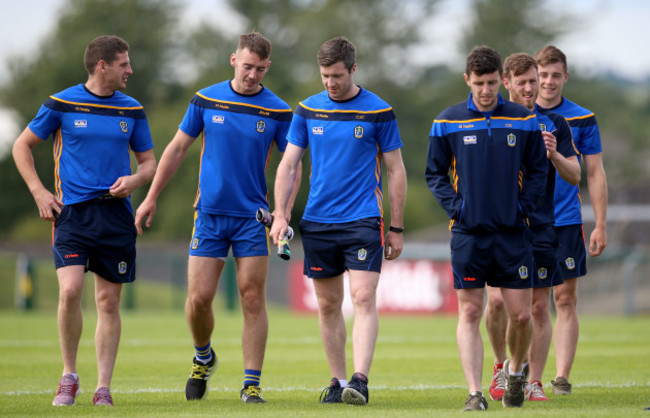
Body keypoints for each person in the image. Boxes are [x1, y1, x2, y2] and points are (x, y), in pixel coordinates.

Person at [134, 32, 298, 404]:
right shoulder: (206, 99)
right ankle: (203, 357)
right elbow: (176, 149)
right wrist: (150, 198)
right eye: (246, 66)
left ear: (267, 67)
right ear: (233, 60)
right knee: (198, 299)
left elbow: (291, 165)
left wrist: (282, 213)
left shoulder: (278, 111)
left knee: (252, 297)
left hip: (252, 219)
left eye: (259, 69)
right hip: (208, 216)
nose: (252, 75)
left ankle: (251, 383)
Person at [12, 35, 156, 407]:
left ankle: (103, 387)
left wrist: (136, 180)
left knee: (108, 302)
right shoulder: (61, 103)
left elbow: (149, 163)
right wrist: (40, 192)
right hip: (72, 214)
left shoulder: (133, 109)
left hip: (116, 215)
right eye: (124, 63)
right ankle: (69, 377)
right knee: (70, 291)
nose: (130, 70)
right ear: (102, 65)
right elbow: (21, 145)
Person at [269, 36, 407, 406]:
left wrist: (396, 227)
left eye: (337, 76)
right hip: (318, 222)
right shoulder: (307, 110)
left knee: (363, 297)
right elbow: (289, 164)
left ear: (353, 70)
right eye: (325, 75)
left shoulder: (379, 111)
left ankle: (360, 380)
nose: (330, 83)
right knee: (328, 306)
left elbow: (396, 171)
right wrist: (281, 215)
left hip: (363, 219)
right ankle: (338, 380)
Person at [425, 45, 548, 410]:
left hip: (513, 235)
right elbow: (435, 174)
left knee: (522, 315)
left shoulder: (523, 120)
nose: (486, 90)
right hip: (468, 235)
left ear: (503, 80)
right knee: (470, 312)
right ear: (468, 80)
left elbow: (539, 171)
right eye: (479, 83)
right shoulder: (447, 121)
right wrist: (457, 208)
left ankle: (515, 372)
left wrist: (523, 208)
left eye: (492, 82)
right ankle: (475, 392)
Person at [484, 53, 581, 403]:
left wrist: (555, 154)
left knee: (539, 307)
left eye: (533, 81)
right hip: (498, 227)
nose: (529, 88)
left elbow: (575, 175)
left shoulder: (554, 124)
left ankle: (531, 380)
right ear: (507, 83)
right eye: (522, 82)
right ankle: (500, 366)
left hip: (540, 227)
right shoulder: (488, 122)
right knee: (496, 302)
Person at [534, 45, 608, 395]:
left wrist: (601, 223)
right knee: (533, 302)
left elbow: (594, 173)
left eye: (555, 75)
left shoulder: (581, 118)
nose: (548, 82)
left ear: (566, 76)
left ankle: (561, 376)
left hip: (565, 220)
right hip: (527, 222)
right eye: (542, 75)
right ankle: (528, 377)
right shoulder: (518, 114)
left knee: (564, 298)